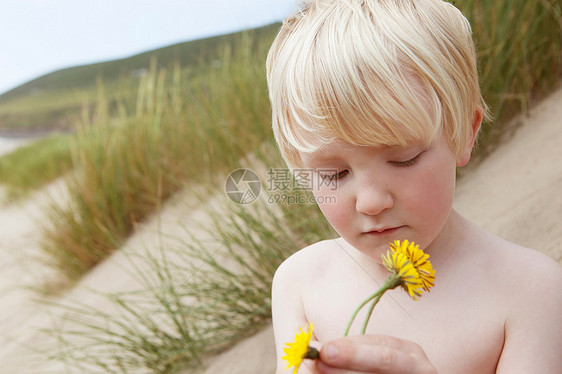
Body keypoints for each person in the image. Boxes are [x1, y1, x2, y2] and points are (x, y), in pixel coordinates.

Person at [265, 0, 562, 373]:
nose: (371, 202)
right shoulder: (301, 281)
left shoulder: (528, 289)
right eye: (333, 175)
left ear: (464, 133)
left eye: (403, 158)